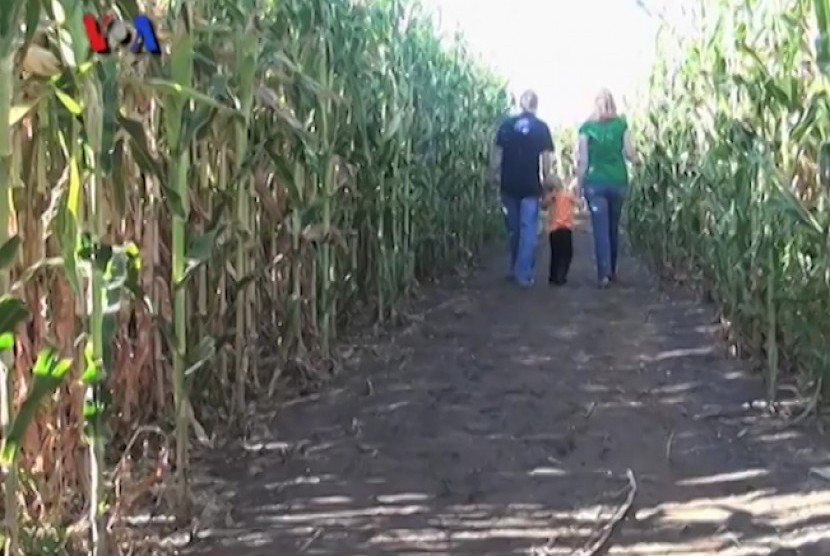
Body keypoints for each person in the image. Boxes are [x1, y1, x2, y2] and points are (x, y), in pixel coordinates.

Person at [489, 90, 558, 287]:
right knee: (528, 229)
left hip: (508, 183)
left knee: (514, 229)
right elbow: (546, 160)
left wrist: (493, 174)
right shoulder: (541, 128)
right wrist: (547, 183)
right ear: (536, 105)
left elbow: (497, 154)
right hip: (530, 184)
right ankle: (523, 273)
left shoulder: (507, 125)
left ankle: (515, 267)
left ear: (520, 104)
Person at [575, 88, 637, 289]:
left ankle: (604, 274)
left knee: (600, 229)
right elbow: (629, 153)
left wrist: (579, 182)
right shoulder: (621, 125)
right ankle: (613, 271)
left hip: (594, 183)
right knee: (613, 227)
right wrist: (641, 162)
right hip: (618, 181)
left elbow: (582, 159)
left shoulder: (586, 128)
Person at [543, 179, 575, 285]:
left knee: (556, 255)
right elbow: (578, 202)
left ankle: (554, 276)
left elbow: (543, 205)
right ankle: (560, 276)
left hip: (555, 230)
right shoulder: (566, 195)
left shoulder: (553, 197)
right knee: (566, 254)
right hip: (564, 228)